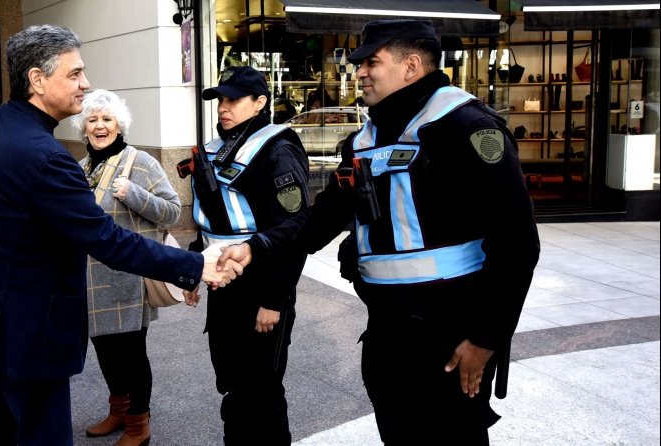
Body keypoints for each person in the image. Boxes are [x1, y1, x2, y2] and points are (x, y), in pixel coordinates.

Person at [217, 19, 540, 445]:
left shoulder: (466, 127)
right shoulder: (365, 138)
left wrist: (484, 340)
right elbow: (324, 216)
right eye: (360, 63)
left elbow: (517, 244)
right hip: (387, 332)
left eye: (372, 62)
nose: (360, 72)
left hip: (450, 335)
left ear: (410, 66)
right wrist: (256, 247)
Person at [0, 24, 240, 446]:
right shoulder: (44, 157)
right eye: (75, 73)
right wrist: (197, 265)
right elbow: (107, 239)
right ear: (38, 80)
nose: (86, 83)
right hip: (24, 334)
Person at [179, 65, 310, 445]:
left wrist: (274, 300)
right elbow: (212, 219)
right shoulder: (218, 148)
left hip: (263, 287)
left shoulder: (277, 150)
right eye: (220, 99)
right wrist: (193, 268)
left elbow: (294, 233)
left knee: (262, 391)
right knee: (234, 384)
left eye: (234, 99)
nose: (223, 107)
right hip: (222, 283)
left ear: (260, 103)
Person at [70, 88, 180, 445]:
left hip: (127, 278)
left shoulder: (139, 162)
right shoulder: (83, 167)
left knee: (131, 355)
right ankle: (119, 410)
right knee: (105, 351)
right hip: (89, 278)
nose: (100, 126)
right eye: (92, 120)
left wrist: (132, 193)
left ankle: (138, 425)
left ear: (119, 125)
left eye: (107, 119)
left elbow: (173, 210)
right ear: (83, 128)